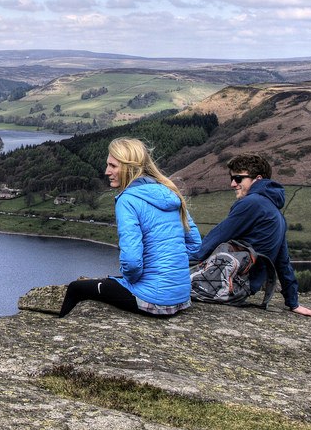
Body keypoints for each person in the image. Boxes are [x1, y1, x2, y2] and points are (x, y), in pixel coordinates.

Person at [51, 136, 202, 317]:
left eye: (113, 166)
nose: (107, 171)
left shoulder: (128, 200)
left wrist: (134, 280)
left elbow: (131, 263)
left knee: (76, 288)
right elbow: (195, 245)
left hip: (153, 300)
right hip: (181, 297)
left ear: (130, 167)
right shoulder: (170, 192)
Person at [191, 153, 311, 319]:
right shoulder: (277, 214)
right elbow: (283, 262)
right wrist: (293, 302)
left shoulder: (252, 203)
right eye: (232, 178)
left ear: (258, 179)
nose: (233, 184)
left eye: (238, 178)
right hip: (241, 290)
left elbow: (215, 238)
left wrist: (178, 265)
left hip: (223, 282)